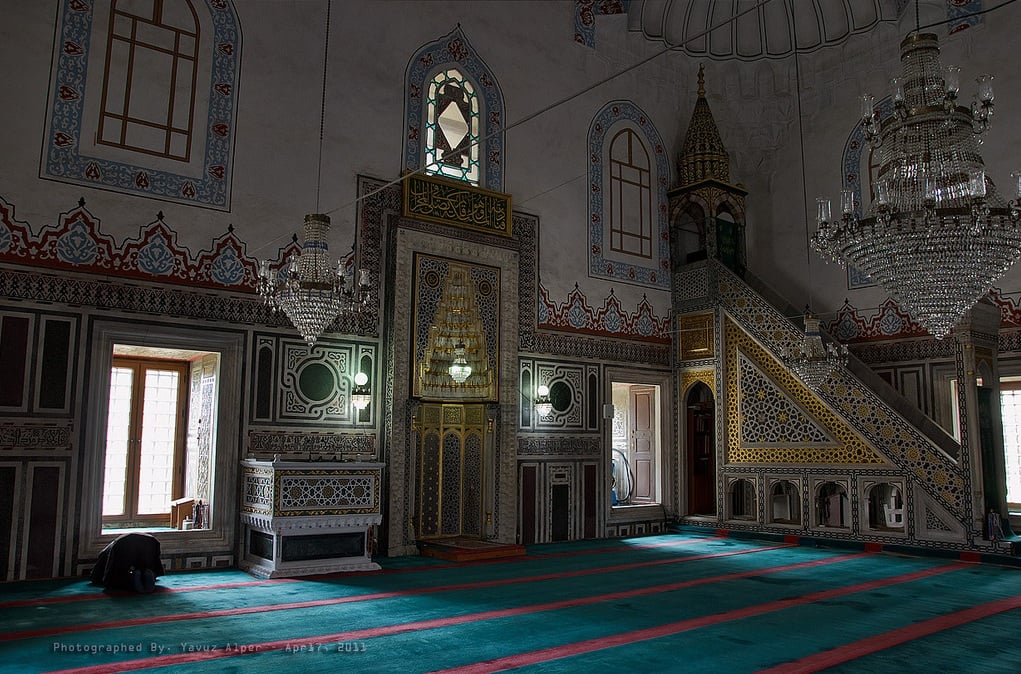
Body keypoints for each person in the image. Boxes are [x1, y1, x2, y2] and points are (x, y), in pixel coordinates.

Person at [89, 532, 164, 593]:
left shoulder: (105, 553)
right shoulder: (150, 541)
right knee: (143, 570)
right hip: (148, 542)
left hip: (124, 547)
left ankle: (134, 577)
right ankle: (145, 573)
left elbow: (107, 573)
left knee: (126, 577)